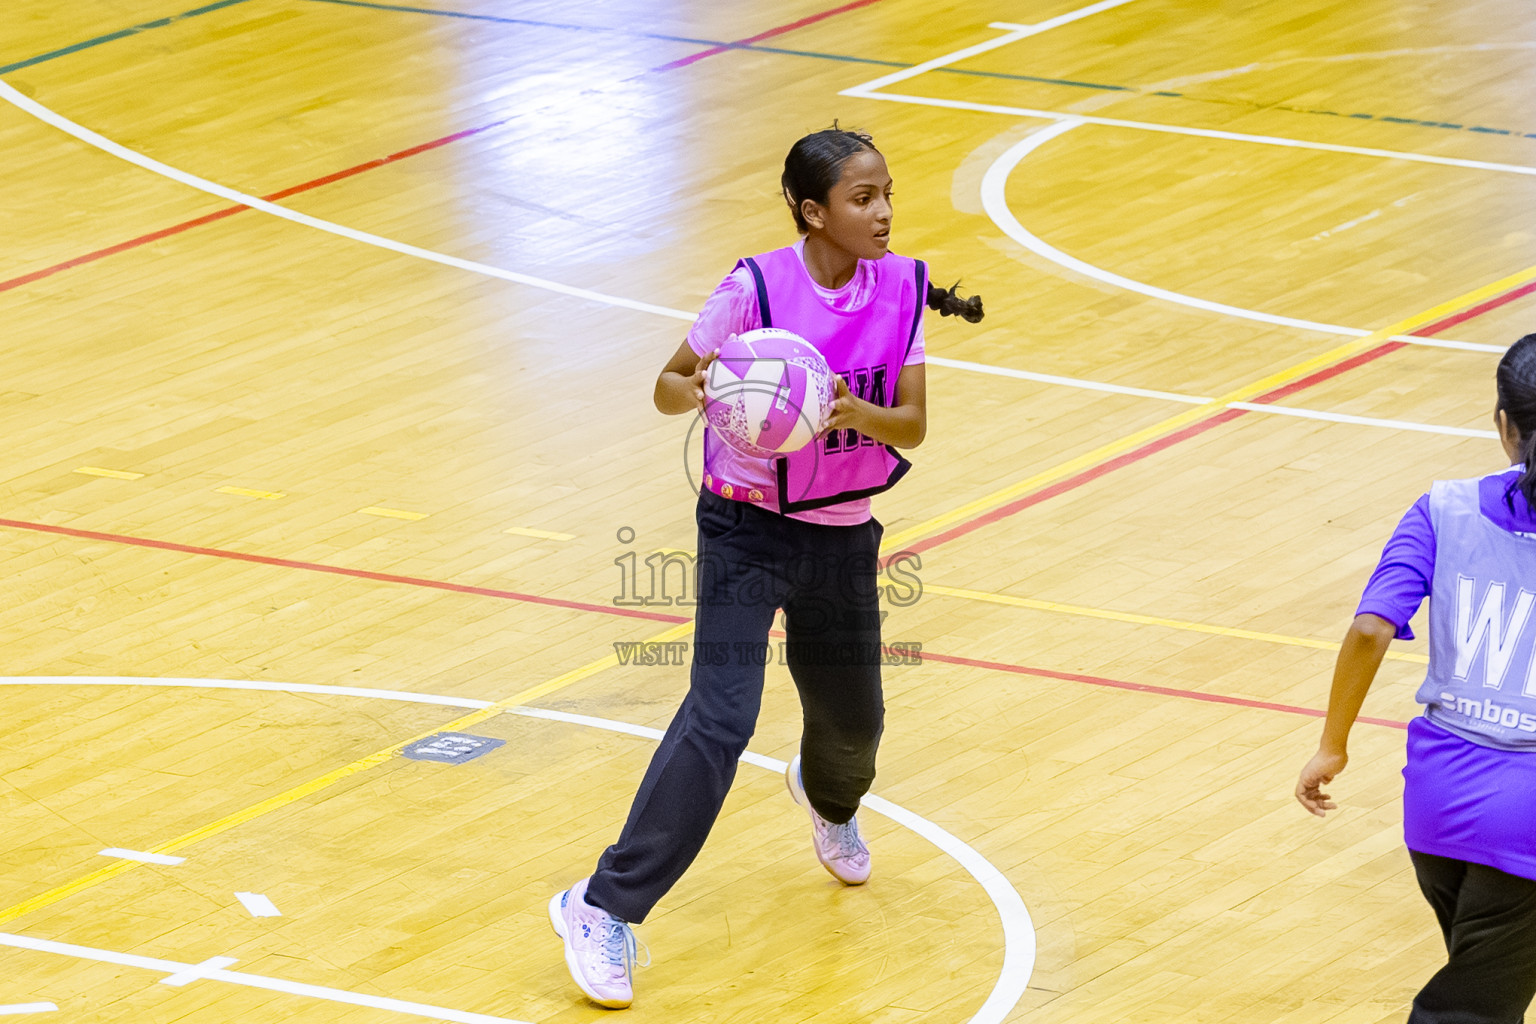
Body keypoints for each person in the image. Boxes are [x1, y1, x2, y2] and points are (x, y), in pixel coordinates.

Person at [549, 126, 983, 1009]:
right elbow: (669, 383)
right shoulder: (753, 288)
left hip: (843, 533)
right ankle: (601, 907)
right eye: (864, 199)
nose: (886, 212)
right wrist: (706, 390)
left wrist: (841, 404)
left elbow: (912, 425)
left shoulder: (902, 288)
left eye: (888, 192)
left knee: (855, 729)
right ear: (812, 210)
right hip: (745, 531)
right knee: (722, 716)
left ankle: (826, 798)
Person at [1297, 332, 1536, 1024]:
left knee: (1490, 984)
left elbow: (1371, 628)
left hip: (1436, 805)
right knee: (1470, 1010)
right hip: (1525, 817)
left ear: (1501, 424)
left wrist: (1333, 745)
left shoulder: (1442, 508)